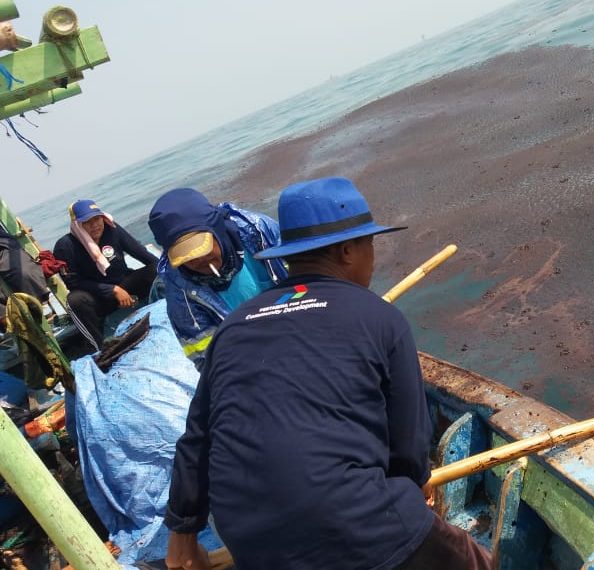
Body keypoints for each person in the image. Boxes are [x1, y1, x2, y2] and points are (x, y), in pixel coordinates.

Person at [163, 177, 492, 570]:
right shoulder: (379, 317)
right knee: (472, 559)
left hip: (249, 542)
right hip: (356, 520)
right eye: (370, 245)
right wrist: (415, 490)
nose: (373, 259)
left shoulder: (231, 330)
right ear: (348, 251)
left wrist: (183, 535)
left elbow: (197, 439)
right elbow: (408, 446)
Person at [147, 188, 287, 369]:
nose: (199, 259)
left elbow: (308, 277)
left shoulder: (260, 232)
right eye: (188, 257)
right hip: (253, 355)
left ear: (217, 230)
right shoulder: (180, 295)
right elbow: (208, 359)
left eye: (203, 249)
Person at [53, 200, 158, 349]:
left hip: (126, 287)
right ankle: (101, 347)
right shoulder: (65, 246)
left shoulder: (112, 229)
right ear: (77, 225)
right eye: (87, 222)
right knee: (75, 300)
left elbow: (141, 253)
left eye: (97, 218)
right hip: (98, 299)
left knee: (157, 269)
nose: (95, 225)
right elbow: (73, 283)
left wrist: (172, 270)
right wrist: (112, 290)